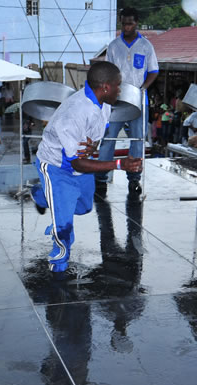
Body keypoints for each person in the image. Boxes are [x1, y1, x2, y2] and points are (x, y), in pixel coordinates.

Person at [30, 61, 142, 277]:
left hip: (78, 165)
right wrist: (120, 164)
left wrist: (94, 146)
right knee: (64, 225)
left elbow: (94, 139)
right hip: (56, 167)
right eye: (118, 85)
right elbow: (77, 163)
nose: (121, 90)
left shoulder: (105, 104)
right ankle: (58, 267)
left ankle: (41, 194)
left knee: (83, 207)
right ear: (106, 87)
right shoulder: (74, 114)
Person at [95, 7, 159, 196]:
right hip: (116, 100)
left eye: (130, 23)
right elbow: (107, 70)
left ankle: (134, 178)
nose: (126, 26)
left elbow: (153, 71)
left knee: (137, 140)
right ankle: (101, 178)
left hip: (137, 101)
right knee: (108, 139)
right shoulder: (114, 46)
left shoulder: (146, 46)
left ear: (136, 22)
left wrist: (143, 88)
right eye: (123, 23)